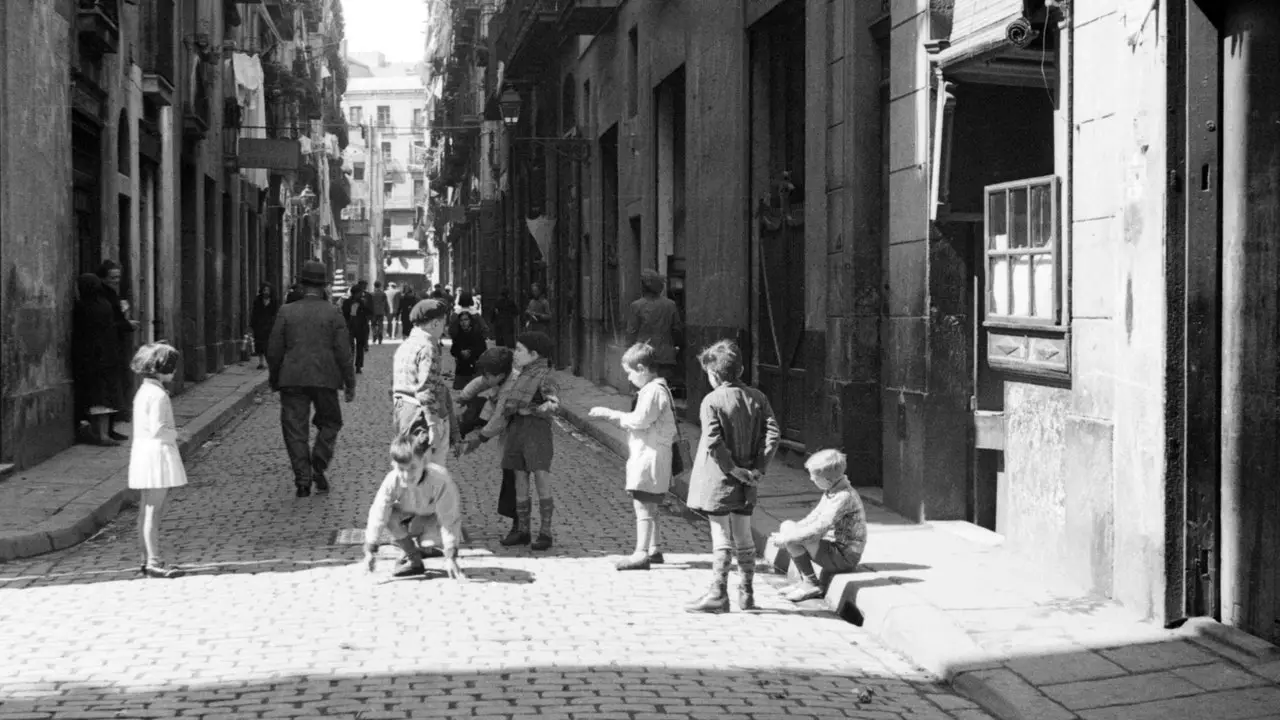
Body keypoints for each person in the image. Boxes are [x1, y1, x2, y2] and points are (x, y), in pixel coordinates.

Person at [684, 339, 781, 613]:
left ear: (714, 374)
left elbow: (713, 442)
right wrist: (758, 468)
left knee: (721, 535)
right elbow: (773, 433)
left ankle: (718, 593)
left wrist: (732, 469)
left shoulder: (711, 401)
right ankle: (747, 594)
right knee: (743, 534)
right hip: (749, 479)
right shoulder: (758, 397)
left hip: (719, 480)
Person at [267, 260, 357, 498]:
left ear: (301, 283)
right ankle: (318, 462)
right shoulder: (334, 313)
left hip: (292, 378)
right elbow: (344, 352)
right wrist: (350, 382)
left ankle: (303, 480)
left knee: (295, 429)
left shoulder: (286, 311)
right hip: (326, 377)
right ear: (325, 285)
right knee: (331, 422)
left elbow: (274, 350)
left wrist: (275, 377)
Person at [463, 331, 560, 550]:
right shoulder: (520, 375)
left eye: (519, 350)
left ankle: (545, 532)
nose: (514, 354)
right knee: (520, 481)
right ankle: (522, 530)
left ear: (534, 354)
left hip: (537, 432)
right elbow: (499, 398)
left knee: (541, 479)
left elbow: (553, 405)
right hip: (516, 432)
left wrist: (532, 409)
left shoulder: (545, 377)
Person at [588, 343, 677, 571]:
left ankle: (641, 553)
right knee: (651, 504)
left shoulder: (653, 391)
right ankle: (654, 548)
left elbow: (639, 420)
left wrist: (610, 414)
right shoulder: (657, 389)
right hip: (652, 452)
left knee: (643, 504)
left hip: (650, 454)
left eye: (629, 372)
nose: (628, 378)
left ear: (641, 368)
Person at [362, 432, 467, 579]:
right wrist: (370, 551)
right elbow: (378, 513)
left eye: (412, 467)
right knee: (389, 516)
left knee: (428, 542)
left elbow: (449, 518)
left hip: (433, 519)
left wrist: (451, 556)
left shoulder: (440, 479)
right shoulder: (392, 480)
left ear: (423, 461)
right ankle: (413, 558)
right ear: (393, 465)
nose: (406, 475)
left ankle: (425, 547)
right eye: (401, 469)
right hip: (409, 517)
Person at [769, 449, 867, 601]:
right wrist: (789, 533)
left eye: (814, 478)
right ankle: (804, 581)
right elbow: (814, 517)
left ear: (827, 480)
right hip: (832, 548)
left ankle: (811, 583)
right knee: (788, 526)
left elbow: (819, 528)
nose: (811, 479)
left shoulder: (843, 497)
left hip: (844, 556)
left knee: (796, 537)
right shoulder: (832, 491)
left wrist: (789, 539)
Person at [127, 342, 188, 579]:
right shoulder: (159, 395)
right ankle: (153, 560)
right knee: (154, 510)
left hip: (143, 452)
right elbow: (158, 429)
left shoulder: (144, 391)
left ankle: (145, 558)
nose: (173, 372)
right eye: (171, 367)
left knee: (145, 509)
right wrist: (178, 433)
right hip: (157, 455)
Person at [455, 347, 518, 534]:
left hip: (516, 436)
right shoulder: (497, 376)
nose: (486, 378)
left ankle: (519, 524)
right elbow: (479, 383)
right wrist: (463, 398)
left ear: (499, 375)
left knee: (513, 477)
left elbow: (500, 418)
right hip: (497, 419)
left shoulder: (511, 387)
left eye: (489, 375)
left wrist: (480, 439)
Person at [391, 299, 458, 467]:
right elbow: (426, 389)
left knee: (411, 467)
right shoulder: (427, 347)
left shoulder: (406, 345)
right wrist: (433, 424)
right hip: (421, 416)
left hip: (404, 412)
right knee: (428, 473)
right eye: (444, 323)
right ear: (435, 323)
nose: (445, 328)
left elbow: (394, 384)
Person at [73, 274, 124, 446]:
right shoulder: (105, 305)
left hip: (92, 357)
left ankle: (101, 435)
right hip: (108, 355)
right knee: (106, 396)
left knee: (97, 396)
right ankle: (103, 432)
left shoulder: (83, 307)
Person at [97, 259, 139, 434]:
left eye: (118, 277)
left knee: (116, 386)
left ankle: (112, 426)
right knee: (110, 388)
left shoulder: (112, 294)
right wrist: (127, 324)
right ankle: (107, 429)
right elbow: (108, 323)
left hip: (116, 345)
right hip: (107, 348)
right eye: (112, 277)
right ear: (103, 278)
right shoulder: (102, 296)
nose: (116, 280)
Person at [626, 270, 684, 384]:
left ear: (643, 288)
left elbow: (631, 333)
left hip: (643, 357)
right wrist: (676, 348)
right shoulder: (670, 305)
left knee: (644, 391)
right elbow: (677, 329)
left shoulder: (636, 306)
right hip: (666, 356)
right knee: (663, 388)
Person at [449, 310, 489, 390]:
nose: (463, 322)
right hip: (462, 368)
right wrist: (460, 353)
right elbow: (453, 350)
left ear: (470, 321)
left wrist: (470, 352)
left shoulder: (477, 334)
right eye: (461, 320)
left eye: (466, 320)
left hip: (475, 368)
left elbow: (483, 349)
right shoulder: (458, 335)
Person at [341, 281, 372, 374]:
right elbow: (344, 314)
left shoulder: (361, 302)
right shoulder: (347, 302)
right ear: (355, 293)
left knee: (359, 348)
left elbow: (368, 312)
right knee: (350, 348)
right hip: (350, 327)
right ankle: (350, 365)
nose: (361, 294)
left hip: (360, 327)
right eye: (359, 293)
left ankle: (358, 366)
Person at [250, 283, 278, 370]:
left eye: (268, 290)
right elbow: (254, 312)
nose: (266, 292)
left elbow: (276, 313)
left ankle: (268, 361)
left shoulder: (274, 301)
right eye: (264, 290)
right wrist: (252, 324)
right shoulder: (258, 300)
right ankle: (261, 362)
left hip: (270, 325)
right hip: (259, 325)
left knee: (268, 344)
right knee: (259, 344)